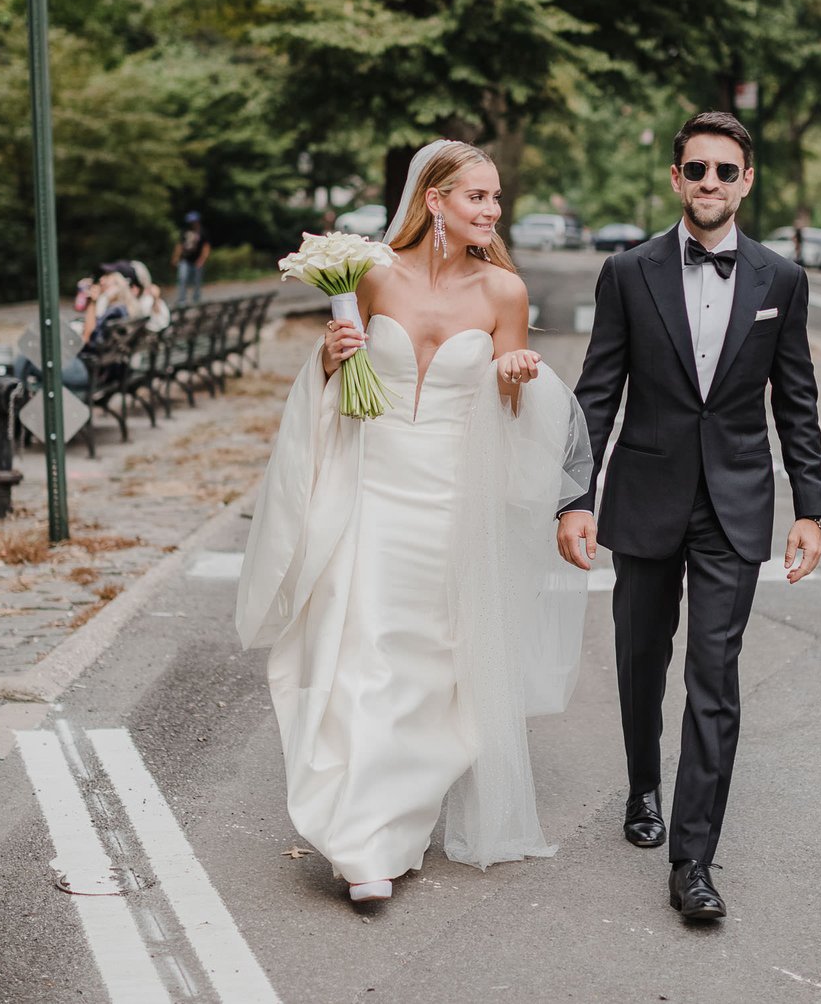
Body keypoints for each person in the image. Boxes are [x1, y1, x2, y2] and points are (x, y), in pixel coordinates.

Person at [235, 141, 591, 905]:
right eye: (477, 197)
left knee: (433, 671)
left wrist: (516, 378)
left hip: (453, 503)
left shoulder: (504, 293)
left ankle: (396, 826)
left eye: (496, 199)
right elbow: (335, 380)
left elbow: (514, 411)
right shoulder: (369, 276)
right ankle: (366, 847)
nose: (491, 211)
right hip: (372, 490)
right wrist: (332, 358)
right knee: (362, 657)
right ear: (433, 200)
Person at [557, 110, 821, 923]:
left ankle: (693, 861)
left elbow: (799, 401)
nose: (711, 182)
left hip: (736, 504)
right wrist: (576, 496)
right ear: (676, 179)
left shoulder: (781, 280)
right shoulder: (627, 271)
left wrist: (810, 508)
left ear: (747, 181)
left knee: (714, 677)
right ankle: (643, 785)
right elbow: (597, 391)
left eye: (726, 170)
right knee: (642, 659)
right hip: (644, 497)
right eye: (697, 169)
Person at [172, 213, 210, 306]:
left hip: (197, 261)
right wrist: (175, 257)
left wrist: (202, 259)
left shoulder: (202, 232)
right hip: (185, 260)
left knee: (197, 281)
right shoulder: (185, 231)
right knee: (182, 278)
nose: (192, 223)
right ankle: (182, 300)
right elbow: (180, 245)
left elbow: (206, 247)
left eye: (193, 221)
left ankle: (196, 300)